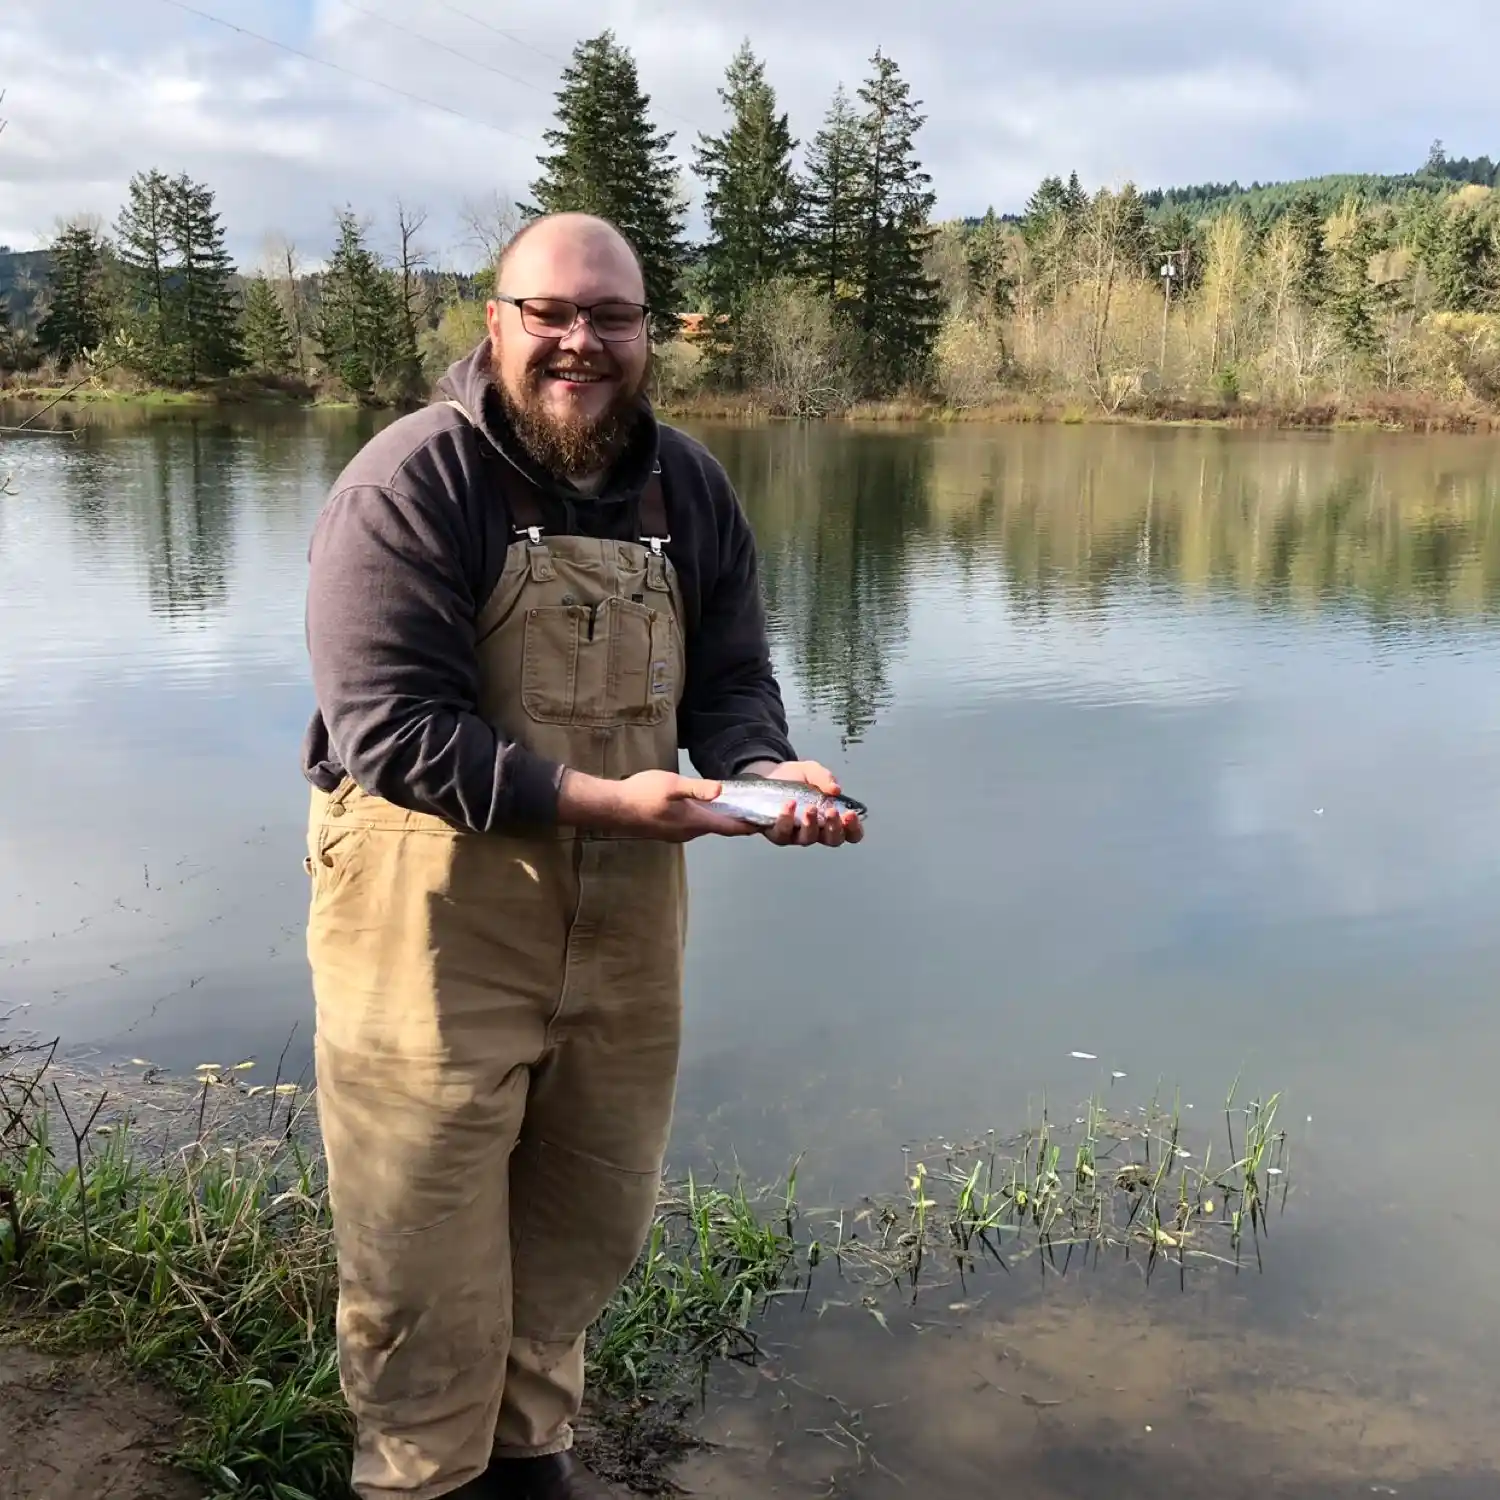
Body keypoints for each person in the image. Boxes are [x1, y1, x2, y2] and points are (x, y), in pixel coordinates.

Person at [300, 210, 863, 1500]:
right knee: (422, 1262)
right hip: (430, 926)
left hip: (625, 923)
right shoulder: (412, 482)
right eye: (549, 312)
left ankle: (531, 1465)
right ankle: (417, 1478)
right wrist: (614, 803)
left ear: (647, 334)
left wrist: (765, 774)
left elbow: (730, 687)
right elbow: (391, 733)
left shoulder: (692, 489)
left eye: (611, 317)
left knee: (577, 1235)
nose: (580, 341)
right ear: (493, 320)